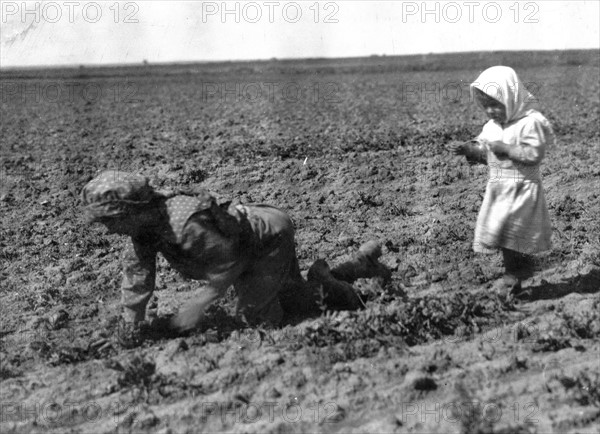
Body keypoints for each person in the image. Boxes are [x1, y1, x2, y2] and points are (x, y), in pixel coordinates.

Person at [81, 170, 391, 344]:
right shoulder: (141, 230)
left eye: (110, 221)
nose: (108, 230)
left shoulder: (186, 224)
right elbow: (136, 281)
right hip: (246, 245)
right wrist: (129, 328)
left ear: (133, 212)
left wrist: (197, 305)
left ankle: (350, 294)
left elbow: (232, 263)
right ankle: (350, 268)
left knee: (257, 321)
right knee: (293, 298)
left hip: (266, 239)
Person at [446, 66, 553, 296]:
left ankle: (513, 276)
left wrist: (507, 148)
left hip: (522, 189)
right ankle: (516, 273)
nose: (491, 111)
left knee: (515, 236)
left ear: (511, 98)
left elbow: (534, 154)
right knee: (504, 235)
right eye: (486, 107)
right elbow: (485, 151)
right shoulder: (491, 127)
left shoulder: (529, 123)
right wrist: (468, 149)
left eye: (496, 105)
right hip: (500, 190)